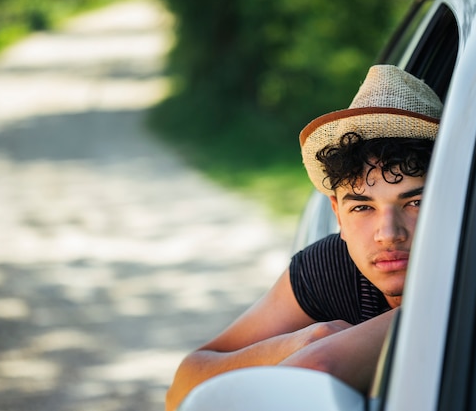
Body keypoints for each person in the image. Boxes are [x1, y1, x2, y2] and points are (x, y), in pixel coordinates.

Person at [165, 65, 443, 411]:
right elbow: (181, 390)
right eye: (362, 208)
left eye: (415, 202)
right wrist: (302, 341)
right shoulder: (331, 267)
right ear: (337, 214)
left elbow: (317, 367)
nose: (388, 234)